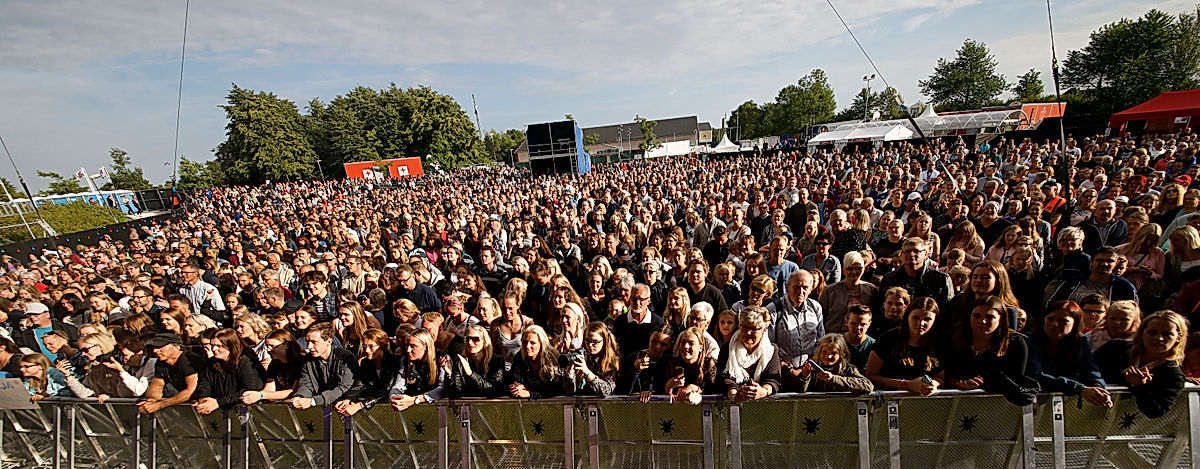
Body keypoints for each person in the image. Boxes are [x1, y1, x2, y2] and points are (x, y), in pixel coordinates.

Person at [1096, 311, 1188, 419]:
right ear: (1142, 332)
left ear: (1178, 337)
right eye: (1152, 332)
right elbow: (1086, 370)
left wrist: (1140, 386)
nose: (1159, 338)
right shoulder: (1115, 348)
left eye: (1167, 334)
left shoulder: (1173, 375)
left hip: (1124, 428)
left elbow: (1156, 411)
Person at [1026, 301, 1111, 407]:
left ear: (1075, 323)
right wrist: (1079, 388)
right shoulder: (1028, 341)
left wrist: (1098, 389)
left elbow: (1090, 369)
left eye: (1063, 321)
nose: (1055, 324)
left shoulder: (1080, 341)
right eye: (1050, 319)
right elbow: (1034, 375)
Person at [865, 297, 942, 395]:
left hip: (926, 402)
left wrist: (934, 384)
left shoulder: (938, 343)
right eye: (916, 318)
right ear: (907, 316)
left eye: (927, 319)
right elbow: (871, 375)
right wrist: (907, 384)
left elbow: (941, 377)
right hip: (891, 400)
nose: (921, 323)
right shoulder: (888, 339)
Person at [767, 270, 824, 386]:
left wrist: (807, 368)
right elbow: (769, 345)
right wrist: (789, 369)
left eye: (805, 287)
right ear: (788, 287)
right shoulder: (773, 310)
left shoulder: (816, 307)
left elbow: (820, 341)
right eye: (796, 287)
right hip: (782, 375)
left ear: (811, 288)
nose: (800, 292)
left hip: (810, 373)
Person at [717, 306, 781, 403]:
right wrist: (735, 395)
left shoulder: (772, 350)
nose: (748, 332)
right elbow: (724, 377)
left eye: (754, 329)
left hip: (763, 406)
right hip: (733, 406)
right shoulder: (727, 348)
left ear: (764, 329)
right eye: (744, 327)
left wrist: (763, 391)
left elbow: (773, 379)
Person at [194, 329, 265, 414]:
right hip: (221, 411)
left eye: (219, 346)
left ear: (231, 346)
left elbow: (251, 389)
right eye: (212, 345)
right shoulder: (211, 363)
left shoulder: (246, 362)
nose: (214, 349)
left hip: (246, 411)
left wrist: (219, 402)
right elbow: (205, 384)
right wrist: (204, 400)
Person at [290, 323, 358, 410]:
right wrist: (300, 397)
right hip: (321, 407)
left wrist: (313, 401)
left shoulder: (345, 357)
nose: (309, 347)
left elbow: (344, 387)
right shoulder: (308, 360)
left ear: (329, 341)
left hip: (344, 407)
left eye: (314, 342)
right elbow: (306, 384)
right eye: (307, 342)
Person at [333, 329, 399, 416]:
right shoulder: (366, 363)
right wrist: (348, 399)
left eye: (371, 347)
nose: (367, 350)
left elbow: (386, 389)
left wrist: (360, 405)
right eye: (364, 346)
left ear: (382, 346)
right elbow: (360, 384)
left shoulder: (394, 362)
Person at [877, 238, 954, 312]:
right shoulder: (889, 278)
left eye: (916, 251)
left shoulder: (942, 279)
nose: (911, 254)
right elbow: (881, 305)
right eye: (907, 251)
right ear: (902, 254)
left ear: (926, 255)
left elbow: (947, 309)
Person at [137, 333, 201, 414]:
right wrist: (150, 402)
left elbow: (190, 391)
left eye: (160, 347)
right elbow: (157, 387)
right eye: (154, 347)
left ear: (177, 347)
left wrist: (159, 405)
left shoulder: (188, 360)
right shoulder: (161, 363)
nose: (155, 351)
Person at [1049, 247, 1139, 303]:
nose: (1105, 264)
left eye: (1110, 261)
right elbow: (1053, 304)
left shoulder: (1124, 287)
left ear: (1116, 263)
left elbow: (1132, 313)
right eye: (1100, 260)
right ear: (1091, 261)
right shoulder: (1072, 282)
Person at [818, 251, 878, 333]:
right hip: (834, 338)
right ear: (844, 270)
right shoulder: (830, 291)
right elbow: (820, 317)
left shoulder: (871, 290)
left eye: (858, 268)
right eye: (850, 268)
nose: (854, 272)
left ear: (864, 269)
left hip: (861, 338)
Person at [241, 330, 303, 405]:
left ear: (286, 345)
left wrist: (260, 395)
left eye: (272, 346)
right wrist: (252, 395)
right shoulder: (274, 363)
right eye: (267, 346)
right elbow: (269, 389)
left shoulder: (300, 362)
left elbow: (293, 391)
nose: (268, 350)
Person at [442, 324, 506, 397]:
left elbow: (493, 390)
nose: (470, 343)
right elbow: (454, 393)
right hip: (468, 406)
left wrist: (471, 374)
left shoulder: (497, 361)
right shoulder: (460, 361)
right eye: (467, 339)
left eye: (475, 339)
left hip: (490, 406)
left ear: (484, 341)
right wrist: (449, 375)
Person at [388, 329, 445, 411]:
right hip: (414, 410)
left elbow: (442, 389)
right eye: (407, 345)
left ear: (425, 346)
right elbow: (398, 385)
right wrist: (395, 398)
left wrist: (415, 400)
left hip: (438, 409)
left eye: (413, 346)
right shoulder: (405, 361)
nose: (408, 350)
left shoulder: (441, 359)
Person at [797, 334, 873, 394]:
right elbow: (799, 391)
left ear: (842, 353)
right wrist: (805, 377)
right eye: (824, 352)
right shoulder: (813, 368)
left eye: (834, 353)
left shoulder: (848, 369)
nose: (828, 356)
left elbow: (867, 386)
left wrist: (834, 379)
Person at [561, 322, 620, 397]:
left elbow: (606, 391)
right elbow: (569, 392)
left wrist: (587, 373)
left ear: (605, 341)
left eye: (595, 342)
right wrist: (569, 376)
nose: (590, 345)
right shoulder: (580, 356)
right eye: (587, 341)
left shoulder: (614, 360)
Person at [663, 327, 719, 402]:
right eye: (683, 343)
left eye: (691, 343)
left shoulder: (709, 364)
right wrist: (668, 387)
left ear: (701, 348)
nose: (685, 346)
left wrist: (694, 389)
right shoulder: (673, 364)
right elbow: (661, 394)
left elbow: (714, 395)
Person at [505, 325, 561, 399]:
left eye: (532, 343)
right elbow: (514, 378)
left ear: (541, 343)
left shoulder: (552, 358)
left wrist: (530, 394)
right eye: (525, 342)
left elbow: (555, 389)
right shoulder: (520, 356)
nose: (527, 346)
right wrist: (516, 387)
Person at [842, 305, 875, 373]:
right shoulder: (837, 342)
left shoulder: (874, 346)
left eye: (863, 324)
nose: (858, 327)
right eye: (853, 323)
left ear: (869, 324)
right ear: (847, 322)